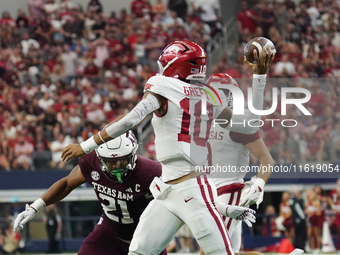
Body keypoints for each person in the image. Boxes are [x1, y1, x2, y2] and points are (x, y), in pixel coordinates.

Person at [60, 40, 274, 255]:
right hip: (167, 189)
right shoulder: (211, 95)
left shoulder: (162, 86)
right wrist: (260, 78)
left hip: (193, 190)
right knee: (138, 252)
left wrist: (86, 145)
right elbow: (250, 124)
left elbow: (130, 120)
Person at [13, 132, 167, 255]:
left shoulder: (151, 172)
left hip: (147, 238)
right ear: (100, 158)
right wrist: (35, 207)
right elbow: (67, 184)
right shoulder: (92, 162)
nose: (117, 166)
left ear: (133, 154)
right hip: (110, 233)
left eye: (122, 160)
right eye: (111, 162)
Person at [200, 73, 274, 255]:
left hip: (229, 190)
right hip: (207, 192)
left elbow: (266, 159)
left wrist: (259, 183)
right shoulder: (201, 120)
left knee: (210, 250)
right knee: (229, 252)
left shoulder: (238, 123)